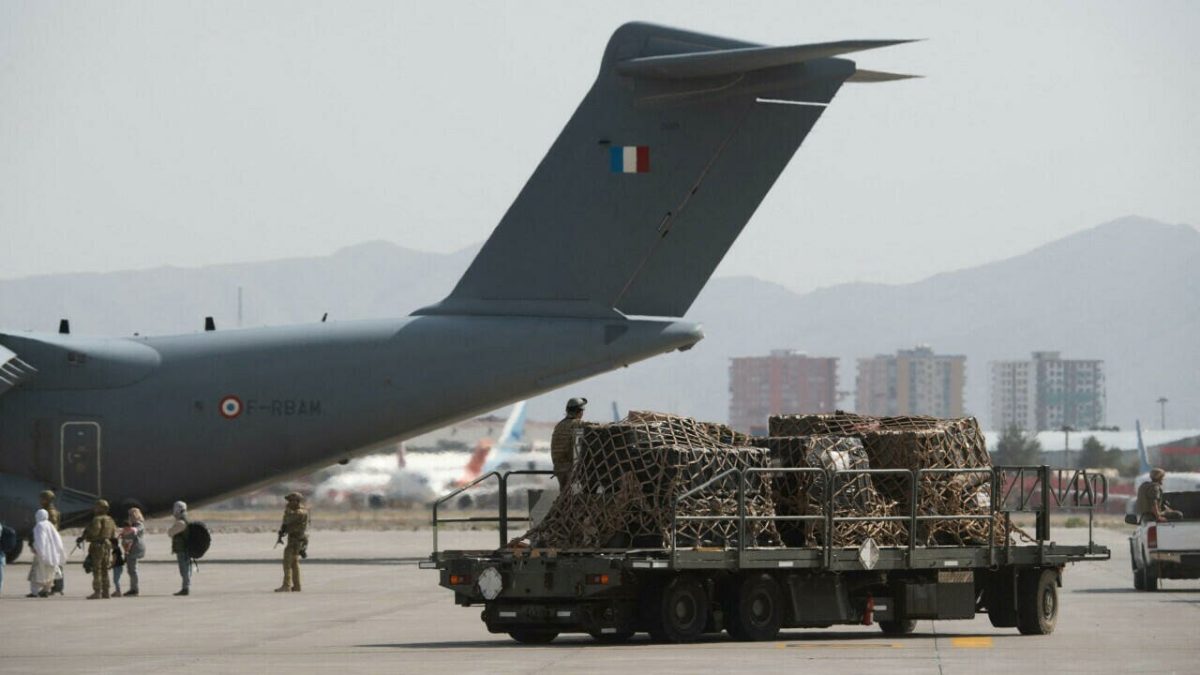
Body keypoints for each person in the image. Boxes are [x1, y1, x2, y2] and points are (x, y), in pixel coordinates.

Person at [81, 499, 117, 599]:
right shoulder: (110, 520)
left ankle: (97, 592)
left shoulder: (97, 519)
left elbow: (95, 531)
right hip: (107, 545)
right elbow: (114, 534)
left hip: (97, 545)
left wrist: (86, 536)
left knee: (97, 569)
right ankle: (106, 591)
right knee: (105, 569)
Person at [550, 397, 587, 490]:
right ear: (580, 412)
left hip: (558, 469)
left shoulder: (559, 425)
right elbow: (577, 449)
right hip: (571, 470)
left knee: (564, 497)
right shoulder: (577, 424)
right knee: (575, 498)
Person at [27, 509, 64, 598]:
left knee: (36, 573)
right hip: (52, 554)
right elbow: (58, 540)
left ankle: (34, 592)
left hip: (41, 554)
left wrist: (37, 549)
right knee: (49, 573)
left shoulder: (39, 526)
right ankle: (45, 590)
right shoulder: (50, 525)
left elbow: (40, 540)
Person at [276, 492, 309, 592]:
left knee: (287, 563)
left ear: (297, 501)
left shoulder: (300, 512)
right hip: (293, 539)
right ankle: (297, 585)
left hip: (296, 540)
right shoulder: (294, 511)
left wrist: (287, 511)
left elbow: (289, 519)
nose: (288, 503)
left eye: (291, 501)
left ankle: (286, 585)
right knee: (294, 563)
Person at [39, 490, 64, 595]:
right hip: (52, 539)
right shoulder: (48, 510)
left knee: (54, 564)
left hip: (51, 540)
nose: (40, 500)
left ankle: (57, 587)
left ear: (47, 499)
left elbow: (52, 526)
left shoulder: (51, 512)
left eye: (42, 498)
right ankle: (55, 586)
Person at [117, 507, 146, 597]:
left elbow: (135, 530)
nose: (130, 517)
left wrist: (125, 531)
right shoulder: (134, 525)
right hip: (132, 549)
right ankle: (133, 588)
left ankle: (134, 589)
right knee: (131, 569)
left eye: (131, 515)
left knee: (132, 570)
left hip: (135, 549)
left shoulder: (138, 524)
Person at [167, 501, 191, 596]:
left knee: (184, 570)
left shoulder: (181, 522)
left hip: (182, 549)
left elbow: (170, 533)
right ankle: (185, 587)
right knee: (186, 569)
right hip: (185, 548)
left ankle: (185, 588)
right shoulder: (185, 519)